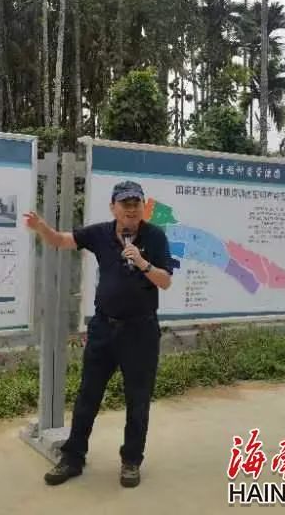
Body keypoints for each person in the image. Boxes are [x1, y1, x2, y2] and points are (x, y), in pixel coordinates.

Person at [24, 180, 173, 489]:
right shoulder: (100, 233)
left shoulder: (155, 236)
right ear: (113, 207)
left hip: (140, 331)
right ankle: (73, 458)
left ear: (143, 207)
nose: (131, 209)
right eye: (125, 204)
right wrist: (42, 228)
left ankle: (131, 461)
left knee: (138, 400)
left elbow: (165, 281)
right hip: (104, 328)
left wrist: (142, 262)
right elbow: (62, 240)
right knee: (87, 396)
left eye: (136, 204)